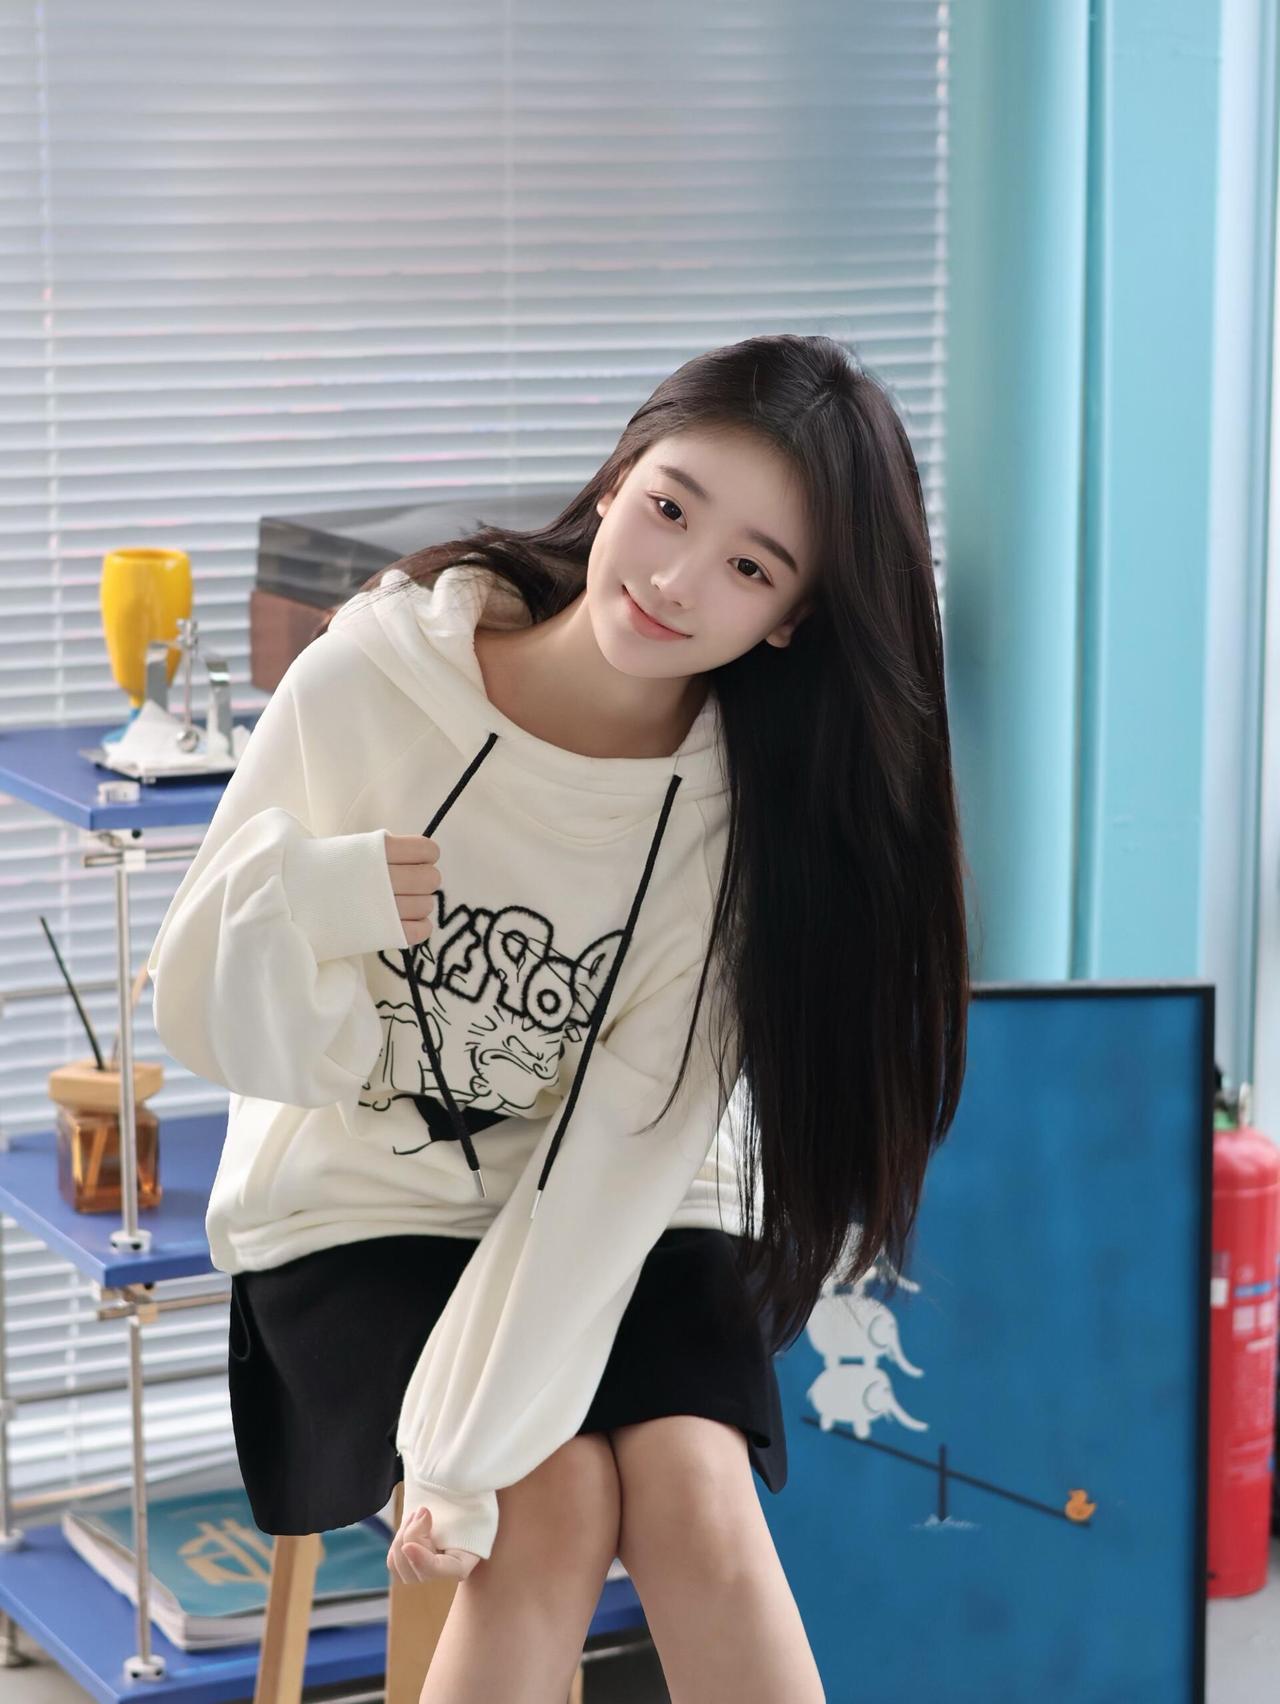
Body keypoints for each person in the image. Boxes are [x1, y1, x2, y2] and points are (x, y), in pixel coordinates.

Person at [146, 331, 971, 1703]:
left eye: (752, 568)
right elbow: (198, 1000)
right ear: (617, 476)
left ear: (790, 619)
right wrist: (324, 893)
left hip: (628, 1198)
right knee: (552, 1505)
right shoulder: (372, 680)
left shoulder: (740, 820)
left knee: (696, 1498)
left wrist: (465, 1443)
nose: (677, 578)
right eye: (671, 507)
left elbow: (623, 1153)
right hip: (365, 1192)